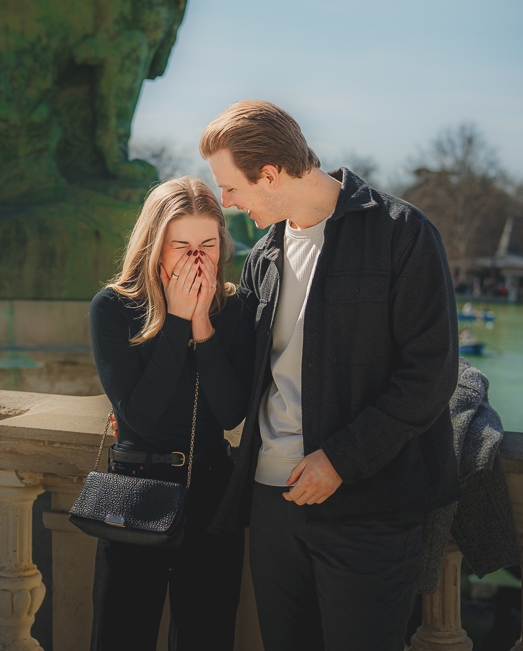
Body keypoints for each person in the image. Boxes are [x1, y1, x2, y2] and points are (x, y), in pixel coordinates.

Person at [199, 100, 460, 650]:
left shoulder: (401, 232)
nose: (226, 203)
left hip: (367, 508)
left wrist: (342, 458)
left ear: (268, 175)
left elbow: (431, 374)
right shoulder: (262, 255)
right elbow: (242, 381)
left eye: (229, 188)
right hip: (271, 505)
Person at [87, 176, 254, 651]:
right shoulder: (114, 308)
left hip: (212, 495)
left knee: (207, 636)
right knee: (121, 635)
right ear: (154, 246)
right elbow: (139, 415)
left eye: (208, 244)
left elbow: (231, 411)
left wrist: (202, 324)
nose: (197, 259)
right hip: (136, 490)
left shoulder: (234, 309)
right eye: (182, 245)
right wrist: (177, 320)